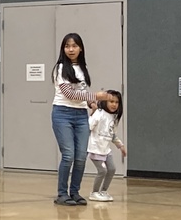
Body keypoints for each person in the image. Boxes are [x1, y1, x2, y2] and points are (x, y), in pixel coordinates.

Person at [51, 32, 109, 206]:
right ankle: (62, 193)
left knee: (81, 156)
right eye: (67, 46)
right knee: (68, 155)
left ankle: (74, 192)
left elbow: (81, 92)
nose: (71, 49)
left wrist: (92, 103)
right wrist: (96, 95)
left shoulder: (82, 68)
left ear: (80, 48)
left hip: (81, 115)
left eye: (74, 46)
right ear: (63, 49)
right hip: (62, 113)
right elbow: (69, 94)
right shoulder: (61, 68)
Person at [88, 90, 126, 202]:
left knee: (112, 169)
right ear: (105, 102)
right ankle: (94, 192)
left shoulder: (113, 118)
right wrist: (93, 112)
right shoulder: (99, 113)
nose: (114, 104)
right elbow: (89, 126)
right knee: (102, 171)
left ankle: (103, 191)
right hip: (95, 148)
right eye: (111, 101)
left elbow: (112, 135)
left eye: (117, 102)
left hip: (106, 149)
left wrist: (121, 146)